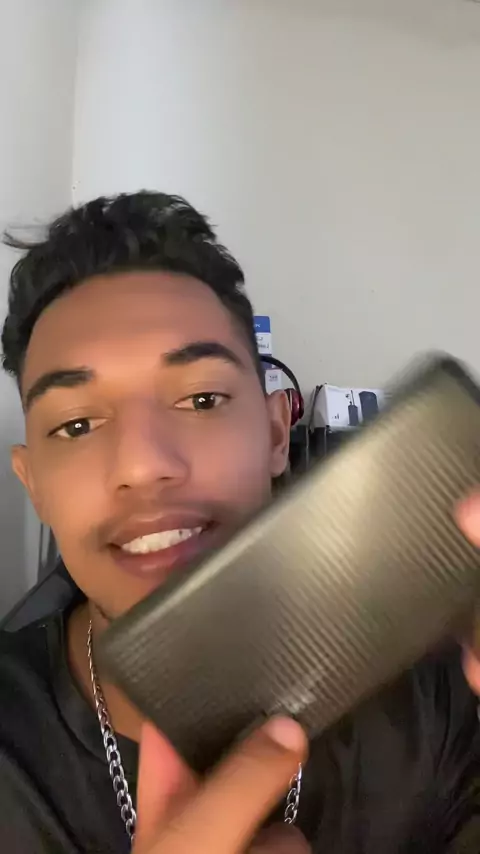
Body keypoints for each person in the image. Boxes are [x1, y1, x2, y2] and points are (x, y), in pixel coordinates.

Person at [1, 191, 480, 854]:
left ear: (278, 433)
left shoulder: (438, 695)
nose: (143, 465)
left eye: (202, 398)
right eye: (76, 425)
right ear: (34, 485)